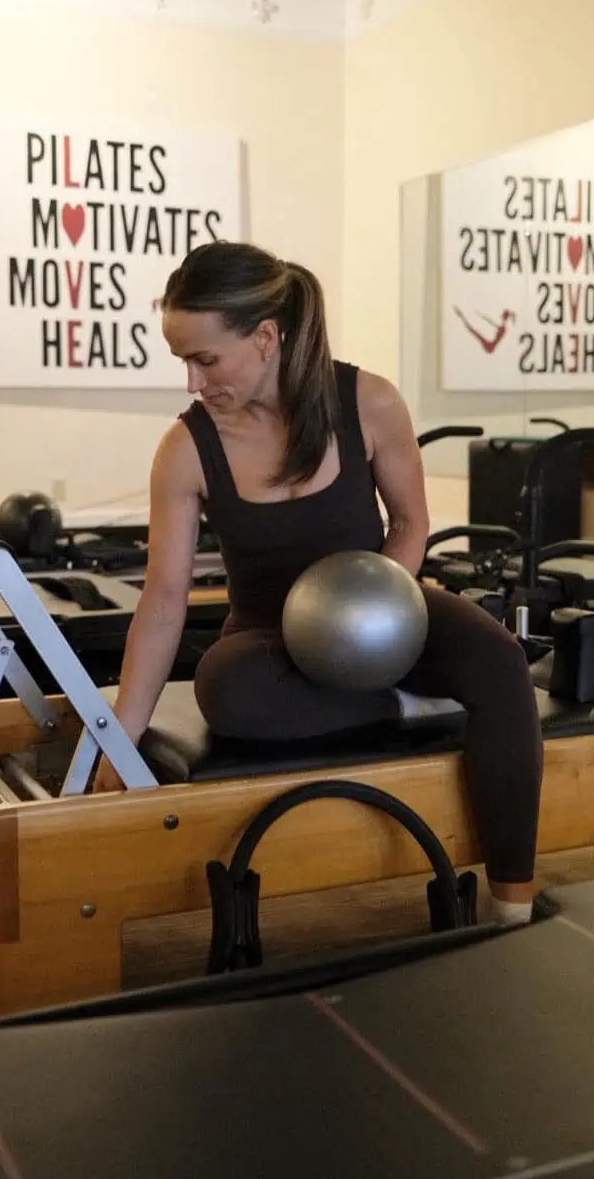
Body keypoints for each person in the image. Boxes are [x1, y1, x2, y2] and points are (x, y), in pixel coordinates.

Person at [95, 240, 544, 926]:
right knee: (226, 689)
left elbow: (410, 521)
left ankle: (512, 905)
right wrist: (119, 731)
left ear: (266, 337)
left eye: (205, 358)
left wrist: (377, 622)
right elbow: (163, 599)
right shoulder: (186, 449)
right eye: (183, 361)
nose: (192, 381)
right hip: (272, 641)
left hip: (378, 612)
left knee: (501, 663)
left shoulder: (367, 401)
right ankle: (404, 704)